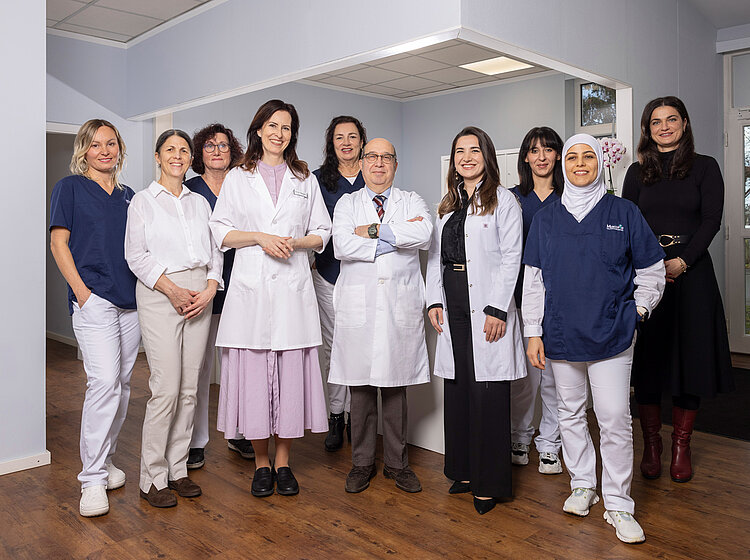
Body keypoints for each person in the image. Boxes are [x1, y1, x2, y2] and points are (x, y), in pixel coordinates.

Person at [523, 133, 665, 544]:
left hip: (613, 334)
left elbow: (652, 270)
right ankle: (583, 483)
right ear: (563, 165)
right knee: (569, 412)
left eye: (588, 156)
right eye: (573, 157)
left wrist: (638, 311)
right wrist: (533, 331)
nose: (580, 164)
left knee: (614, 417)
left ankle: (618, 504)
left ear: (600, 163)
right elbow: (534, 281)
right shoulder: (547, 218)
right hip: (562, 333)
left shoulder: (624, 211)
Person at [209, 100, 331, 498]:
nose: (280, 133)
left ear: (292, 134)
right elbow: (221, 232)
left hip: (293, 292)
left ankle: (284, 462)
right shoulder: (238, 177)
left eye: (287, 127)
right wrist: (261, 237)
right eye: (272, 125)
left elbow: (322, 233)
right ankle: (261, 464)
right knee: (256, 381)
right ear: (258, 129)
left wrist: (293, 243)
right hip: (251, 293)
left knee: (290, 379)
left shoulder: (304, 178)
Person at [622, 96, 734, 483]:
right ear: (647, 129)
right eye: (656, 122)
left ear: (685, 124)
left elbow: (711, 220)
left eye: (672, 120)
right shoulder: (636, 173)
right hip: (648, 276)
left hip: (693, 274)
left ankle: (682, 446)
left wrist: (682, 260)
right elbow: (628, 223)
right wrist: (653, 266)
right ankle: (652, 443)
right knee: (649, 360)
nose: (664, 127)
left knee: (691, 359)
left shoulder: (705, 167)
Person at [426, 126, 525, 515]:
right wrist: (434, 299)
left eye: (474, 150)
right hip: (451, 298)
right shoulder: (447, 204)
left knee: (487, 394)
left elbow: (511, 257)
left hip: (485, 303)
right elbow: (436, 257)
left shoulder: (504, 200)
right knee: (460, 389)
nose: (466, 157)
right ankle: (464, 471)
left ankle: (489, 484)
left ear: (487, 156)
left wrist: (498, 308)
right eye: (459, 152)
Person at [329, 137, 433, 495]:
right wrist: (396, 237)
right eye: (371, 157)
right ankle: (361, 464)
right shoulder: (347, 203)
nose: (378, 163)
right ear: (360, 164)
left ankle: (397, 464)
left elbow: (424, 233)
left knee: (394, 389)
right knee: (359, 390)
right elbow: (342, 245)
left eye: (386, 157)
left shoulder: (412, 200)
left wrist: (371, 232)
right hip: (360, 306)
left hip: (397, 306)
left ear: (395, 165)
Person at [125, 129, 223, 508]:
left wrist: (211, 287)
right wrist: (172, 289)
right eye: (171, 150)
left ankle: (177, 469)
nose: (178, 156)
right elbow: (136, 255)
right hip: (160, 293)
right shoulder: (143, 203)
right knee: (165, 387)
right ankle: (151, 477)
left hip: (201, 292)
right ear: (157, 156)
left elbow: (216, 251)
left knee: (190, 389)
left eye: (184, 150)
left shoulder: (200, 203)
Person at [49, 119, 140, 518]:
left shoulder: (129, 195)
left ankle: (105, 461)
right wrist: (82, 294)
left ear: (119, 149)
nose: (105, 150)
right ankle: (90, 479)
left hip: (131, 301)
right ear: (84, 150)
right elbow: (58, 242)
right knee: (102, 382)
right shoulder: (69, 188)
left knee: (121, 385)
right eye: (96, 144)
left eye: (111, 143)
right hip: (95, 300)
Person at [184, 124, 254, 470]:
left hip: (242, 286)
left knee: (238, 367)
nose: (216, 151)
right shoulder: (189, 191)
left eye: (223, 146)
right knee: (199, 368)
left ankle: (238, 433)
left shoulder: (243, 186)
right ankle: (196, 442)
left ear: (232, 151)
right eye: (209, 146)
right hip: (203, 288)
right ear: (200, 153)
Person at [508, 127, 564, 474]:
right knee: (526, 378)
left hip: (561, 299)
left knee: (557, 379)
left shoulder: (570, 196)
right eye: (534, 150)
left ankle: (550, 443)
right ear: (525, 158)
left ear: (557, 155)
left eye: (548, 150)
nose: (541, 157)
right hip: (521, 297)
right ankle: (519, 435)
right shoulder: (512, 198)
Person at [312, 116, 367, 451]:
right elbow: (315, 228)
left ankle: (358, 419)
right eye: (339, 138)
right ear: (331, 144)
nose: (346, 143)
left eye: (352, 136)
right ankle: (337, 416)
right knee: (334, 350)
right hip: (328, 276)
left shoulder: (373, 175)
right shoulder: (318, 181)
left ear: (362, 141)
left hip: (365, 277)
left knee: (360, 348)